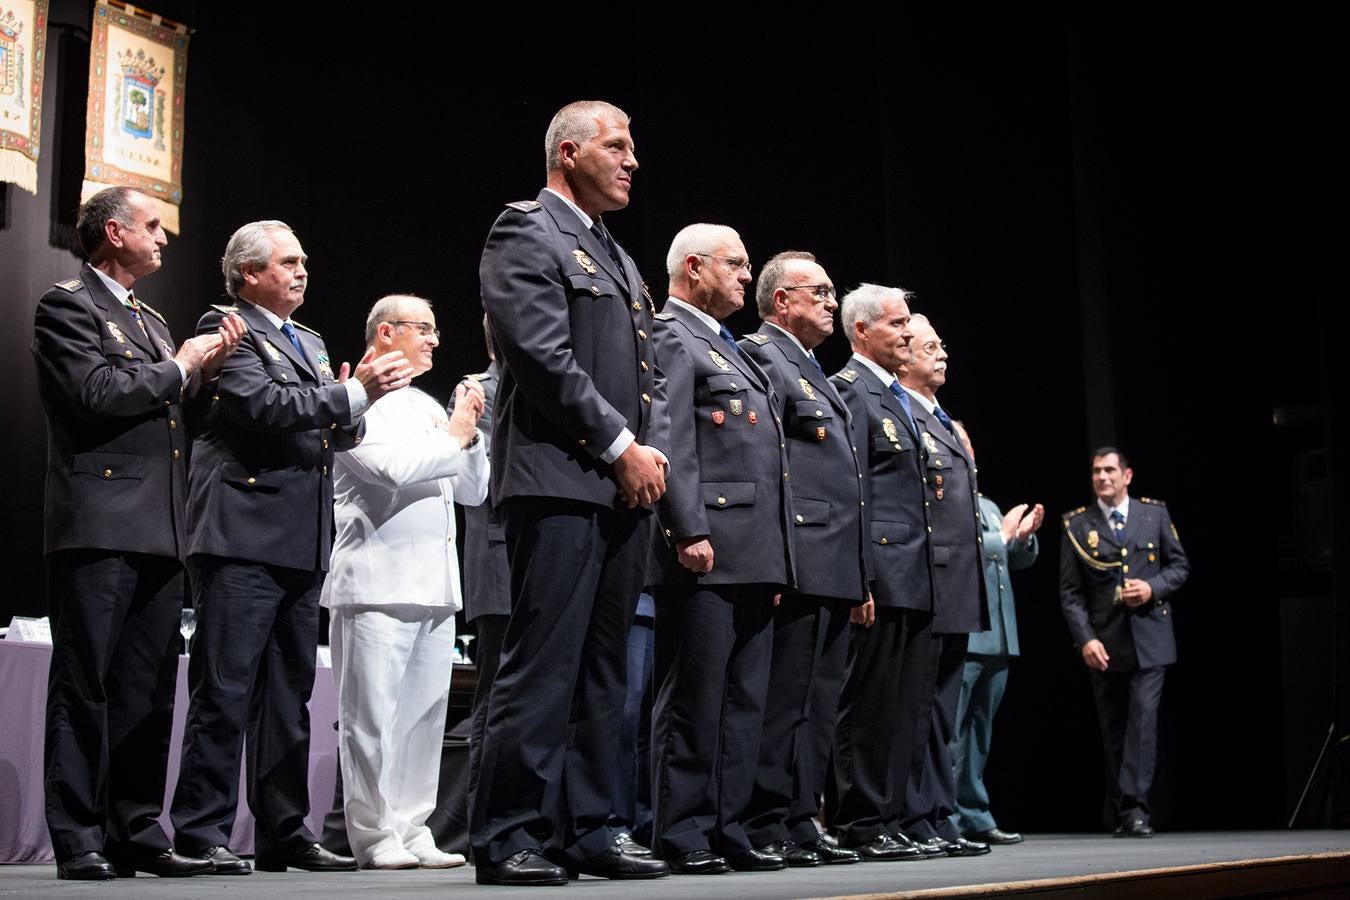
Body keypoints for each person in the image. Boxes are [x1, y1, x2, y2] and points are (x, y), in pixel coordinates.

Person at [170, 220, 412, 874]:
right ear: (250, 274)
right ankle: (200, 831)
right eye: (287, 262)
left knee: (290, 695)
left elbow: (336, 430)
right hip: (242, 533)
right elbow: (266, 406)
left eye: (304, 261)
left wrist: (350, 402)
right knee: (224, 690)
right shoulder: (228, 329)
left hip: (303, 537)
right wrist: (352, 392)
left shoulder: (306, 340)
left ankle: (284, 831)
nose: (302, 271)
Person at [473, 100, 669, 886]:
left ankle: (592, 825)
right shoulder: (526, 229)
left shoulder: (613, 254)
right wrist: (622, 446)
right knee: (543, 664)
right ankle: (509, 833)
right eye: (617, 145)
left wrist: (638, 457)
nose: (632, 160)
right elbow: (542, 356)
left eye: (633, 146)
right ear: (567, 150)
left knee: (604, 673)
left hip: (620, 488)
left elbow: (638, 376)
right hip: (560, 479)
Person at [32, 186, 243, 881]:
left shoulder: (148, 319)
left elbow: (173, 413)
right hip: (100, 524)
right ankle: (78, 834)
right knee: (85, 684)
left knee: (148, 690)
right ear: (114, 233)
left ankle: (134, 827)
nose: (163, 238)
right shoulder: (68, 305)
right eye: (152, 227)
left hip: (162, 528)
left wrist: (204, 374)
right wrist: (183, 366)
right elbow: (97, 394)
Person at [648, 224, 795, 875]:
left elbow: (768, 462)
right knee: (694, 699)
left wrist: (778, 554)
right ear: (693, 267)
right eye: (735, 264)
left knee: (743, 703)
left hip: (754, 551)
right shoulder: (671, 335)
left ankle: (727, 826)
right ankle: (681, 830)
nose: (745, 275)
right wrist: (686, 528)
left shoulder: (726, 345)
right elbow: (669, 438)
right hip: (705, 548)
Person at [322, 295, 487, 869]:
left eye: (437, 330)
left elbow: (471, 491)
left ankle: (413, 826)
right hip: (375, 582)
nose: (435, 340)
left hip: (435, 584)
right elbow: (391, 473)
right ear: (386, 332)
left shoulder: (424, 404)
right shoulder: (353, 397)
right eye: (424, 328)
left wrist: (474, 433)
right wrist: (457, 433)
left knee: (424, 716)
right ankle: (371, 834)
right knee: (370, 718)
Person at [738, 252, 866, 867]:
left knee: (818, 704)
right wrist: (781, 556)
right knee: (784, 700)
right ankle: (766, 818)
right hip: (801, 553)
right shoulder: (764, 352)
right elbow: (769, 463)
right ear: (781, 301)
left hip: (834, 557)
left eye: (832, 291)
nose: (830, 301)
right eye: (818, 291)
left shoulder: (812, 365)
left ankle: (800, 816)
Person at [826, 284, 934, 862]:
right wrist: (860, 576)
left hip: (913, 572)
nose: (908, 333)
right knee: (866, 703)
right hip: (881, 572)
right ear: (863, 331)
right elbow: (856, 492)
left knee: (904, 705)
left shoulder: (895, 397)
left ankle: (890, 817)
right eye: (897, 324)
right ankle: (860, 820)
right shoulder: (852, 391)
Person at [896, 314, 991, 857]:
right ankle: (915, 814)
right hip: (924, 578)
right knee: (916, 709)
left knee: (941, 713)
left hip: (955, 582)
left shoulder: (944, 419)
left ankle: (937, 812)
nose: (943, 354)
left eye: (942, 344)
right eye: (930, 346)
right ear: (903, 356)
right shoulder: (903, 413)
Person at [1060, 447, 1189, 837]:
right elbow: (1070, 593)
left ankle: (1135, 809)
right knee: (1114, 730)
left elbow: (1180, 566)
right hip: (1106, 643)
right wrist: (1085, 640)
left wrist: (1152, 588)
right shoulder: (1078, 525)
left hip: (1150, 640)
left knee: (1143, 725)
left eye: (1110, 470)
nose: (1103, 477)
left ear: (1127, 476)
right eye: (1097, 471)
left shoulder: (1154, 515)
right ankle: (1119, 809)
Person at [947, 420, 1043, 845]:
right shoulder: (946, 499)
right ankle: (944, 815)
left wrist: (1022, 539)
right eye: (958, 442)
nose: (966, 450)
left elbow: (1012, 560)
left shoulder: (984, 503)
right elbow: (965, 549)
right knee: (952, 730)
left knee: (980, 732)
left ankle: (975, 812)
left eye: (968, 443)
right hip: (968, 632)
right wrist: (1002, 537)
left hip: (1000, 636)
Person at [455, 316, 509, 832]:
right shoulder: (480, 390)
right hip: (499, 556)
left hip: (538, 560)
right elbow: (483, 478)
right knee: (495, 694)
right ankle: (484, 822)